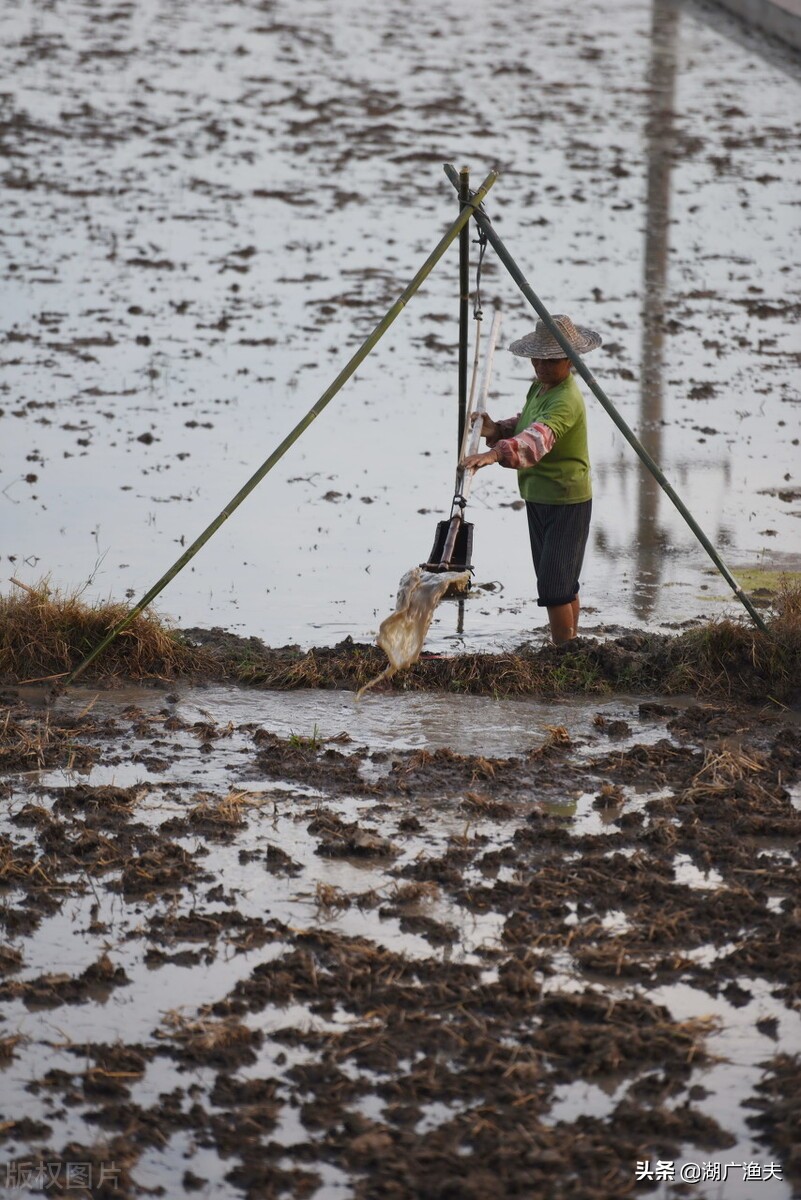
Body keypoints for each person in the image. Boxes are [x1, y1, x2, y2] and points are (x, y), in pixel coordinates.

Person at [461, 313, 602, 645]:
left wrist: (494, 454)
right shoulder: (539, 389)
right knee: (560, 579)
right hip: (540, 496)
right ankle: (570, 642)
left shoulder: (566, 400)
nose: (541, 365)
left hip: (566, 499)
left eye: (551, 360)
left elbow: (535, 441)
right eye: (538, 358)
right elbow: (525, 423)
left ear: (570, 360)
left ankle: (563, 651)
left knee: (554, 587)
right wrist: (495, 429)